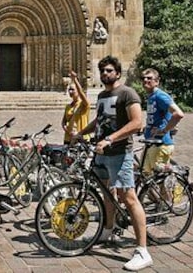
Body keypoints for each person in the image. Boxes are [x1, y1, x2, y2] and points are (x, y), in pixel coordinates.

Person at [78, 56, 152, 271]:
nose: (105, 74)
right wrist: (81, 134)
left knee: (128, 198)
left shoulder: (127, 93)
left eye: (109, 71)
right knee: (105, 193)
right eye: (102, 71)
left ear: (118, 73)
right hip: (101, 152)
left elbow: (137, 123)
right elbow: (100, 121)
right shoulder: (102, 95)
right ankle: (107, 231)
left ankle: (142, 251)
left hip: (119, 152)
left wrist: (110, 139)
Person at [140, 69, 184, 175]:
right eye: (143, 78)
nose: (145, 80)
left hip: (161, 144)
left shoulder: (160, 96)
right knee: (145, 175)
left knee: (159, 182)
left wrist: (164, 130)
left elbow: (178, 114)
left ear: (157, 81)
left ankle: (175, 188)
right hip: (151, 143)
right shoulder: (151, 97)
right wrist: (146, 128)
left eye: (149, 78)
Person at [62, 70, 90, 144]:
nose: (70, 91)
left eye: (72, 89)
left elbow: (81, 93)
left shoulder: (84, 104)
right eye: (69, 89)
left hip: (81, 138)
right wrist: (68, 131)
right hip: (69, 139)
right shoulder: (68, 106)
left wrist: (75, 80)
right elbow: (63, 122)